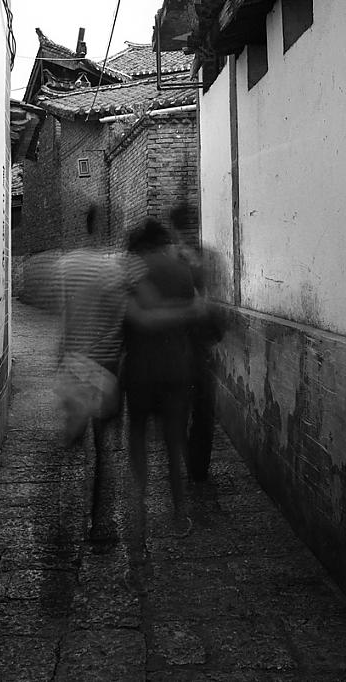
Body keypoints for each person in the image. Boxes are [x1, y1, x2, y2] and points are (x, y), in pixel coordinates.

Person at [123, 218, 201, 537]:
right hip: (175, 369)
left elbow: (126, 321)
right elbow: (195, 318)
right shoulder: (182, 271)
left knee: (138, 437)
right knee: (173, 442)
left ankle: (139, 511)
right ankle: (179, 514)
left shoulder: (131, 272)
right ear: (162, 242)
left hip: (140, 369)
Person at [55, 205, 127, 547]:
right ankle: (99, 526)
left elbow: (65, 315)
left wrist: (61, 355)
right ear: (108, 227)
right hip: (105, 367)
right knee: (104, 449)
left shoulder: (68, 265)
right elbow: (122, 323)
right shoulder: (113, 271)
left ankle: (67, 516)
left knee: (77, 441)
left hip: (75, 362)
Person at [168, 202, 223, 482]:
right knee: (189, 406)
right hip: (180, 345)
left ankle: (197, 467)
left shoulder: (205, 256)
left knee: (201, 407)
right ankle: (190, 461)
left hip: (195, 345)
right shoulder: (173, 260)